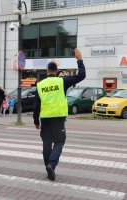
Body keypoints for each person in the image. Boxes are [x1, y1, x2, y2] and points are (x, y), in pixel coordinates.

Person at [33, 49, 85, 181]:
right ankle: (51, 165)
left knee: (46, 143)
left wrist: (36, 121)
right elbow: (81, 75)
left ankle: (48, 168)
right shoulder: (62, 82)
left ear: (47, 71)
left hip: (44, 119)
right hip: (58, 119)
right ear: (56, 71)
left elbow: (36, 105)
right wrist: (79, 59)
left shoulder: (40, 85)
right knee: (59, 142)